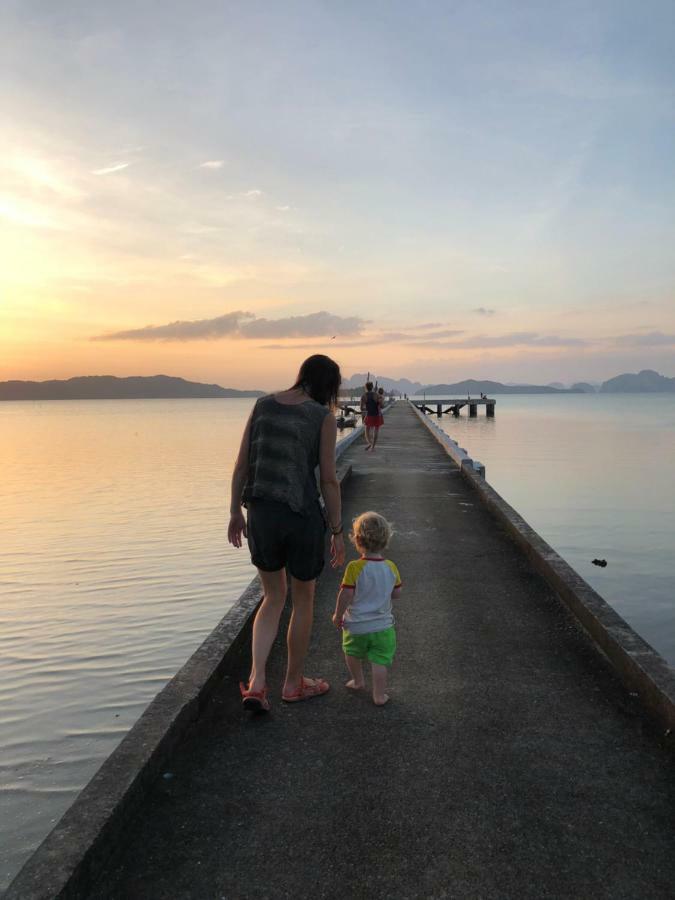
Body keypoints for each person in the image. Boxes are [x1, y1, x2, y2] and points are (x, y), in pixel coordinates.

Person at [228, 355, 345, 712]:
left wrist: (235, 511)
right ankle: (293, 684)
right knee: (303, 599)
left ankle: (257, 682)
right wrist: (337, 531)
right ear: (329, 386)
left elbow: (242, 464)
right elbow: (327, 478)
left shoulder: (263, 405)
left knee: (272, 597)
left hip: (261, 512)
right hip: (300, 515)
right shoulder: (322, 417)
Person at [332, 511, 402, 705]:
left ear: (357, 540)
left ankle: (358, 680)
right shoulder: (391, 567)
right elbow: (396, 594)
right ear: (386, 539)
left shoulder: (354, 567)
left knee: (352, 652)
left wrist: (338, 615)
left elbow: (346, 594)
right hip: (383, 627)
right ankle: (379, 695)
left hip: (356, 626)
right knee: (379, 661)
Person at [362, 382, 381, 452]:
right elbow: (380, 404)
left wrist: (366, 407)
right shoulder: (376, 394)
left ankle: (370, 443)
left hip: (369, 414)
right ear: (372, 387)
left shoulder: (364, 396)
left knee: (366, 430)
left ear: (366, 387)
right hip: (377, 415)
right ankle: (372, 447)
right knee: (376, 430)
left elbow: (361, 408)